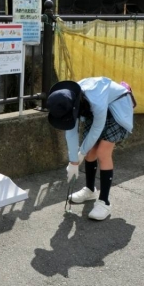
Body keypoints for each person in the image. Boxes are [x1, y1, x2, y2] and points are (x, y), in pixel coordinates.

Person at [46, 77, 134, 220]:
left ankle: (104, 202)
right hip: (95, 109)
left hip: (118, 107)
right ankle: (90, 190)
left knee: (102, 152)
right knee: (90, 152)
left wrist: (81, 151)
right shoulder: (69, 100)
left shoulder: (95, 100)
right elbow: (71, 132)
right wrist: (73, 161)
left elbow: (96, 129)